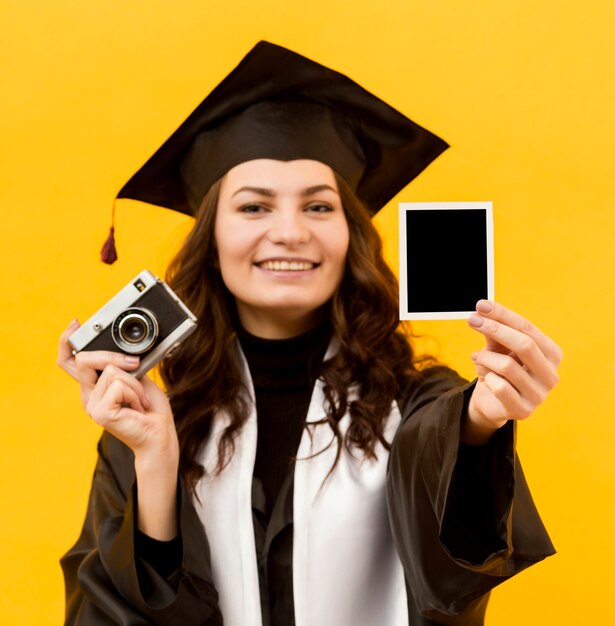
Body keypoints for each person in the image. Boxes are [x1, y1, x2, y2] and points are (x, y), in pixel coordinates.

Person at [57, 41, 562, 626]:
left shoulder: (417, 401)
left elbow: (445, 515)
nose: (290, 232)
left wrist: (481, 419)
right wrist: (154, 459)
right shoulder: (153, 418)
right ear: (212, 244)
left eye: (319, 208)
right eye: (254, 208)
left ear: (350, 237)